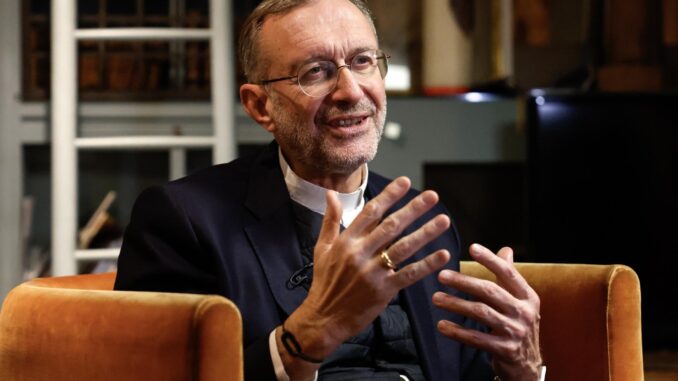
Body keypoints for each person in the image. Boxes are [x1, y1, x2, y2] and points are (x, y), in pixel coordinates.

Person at [114, 0, 542, 380]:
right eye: (314, 72)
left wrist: (521, 369)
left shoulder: (424, 219)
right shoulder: (183, 220)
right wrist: (312, 331)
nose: (351, 91)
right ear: (260, 106)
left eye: (362, 61)